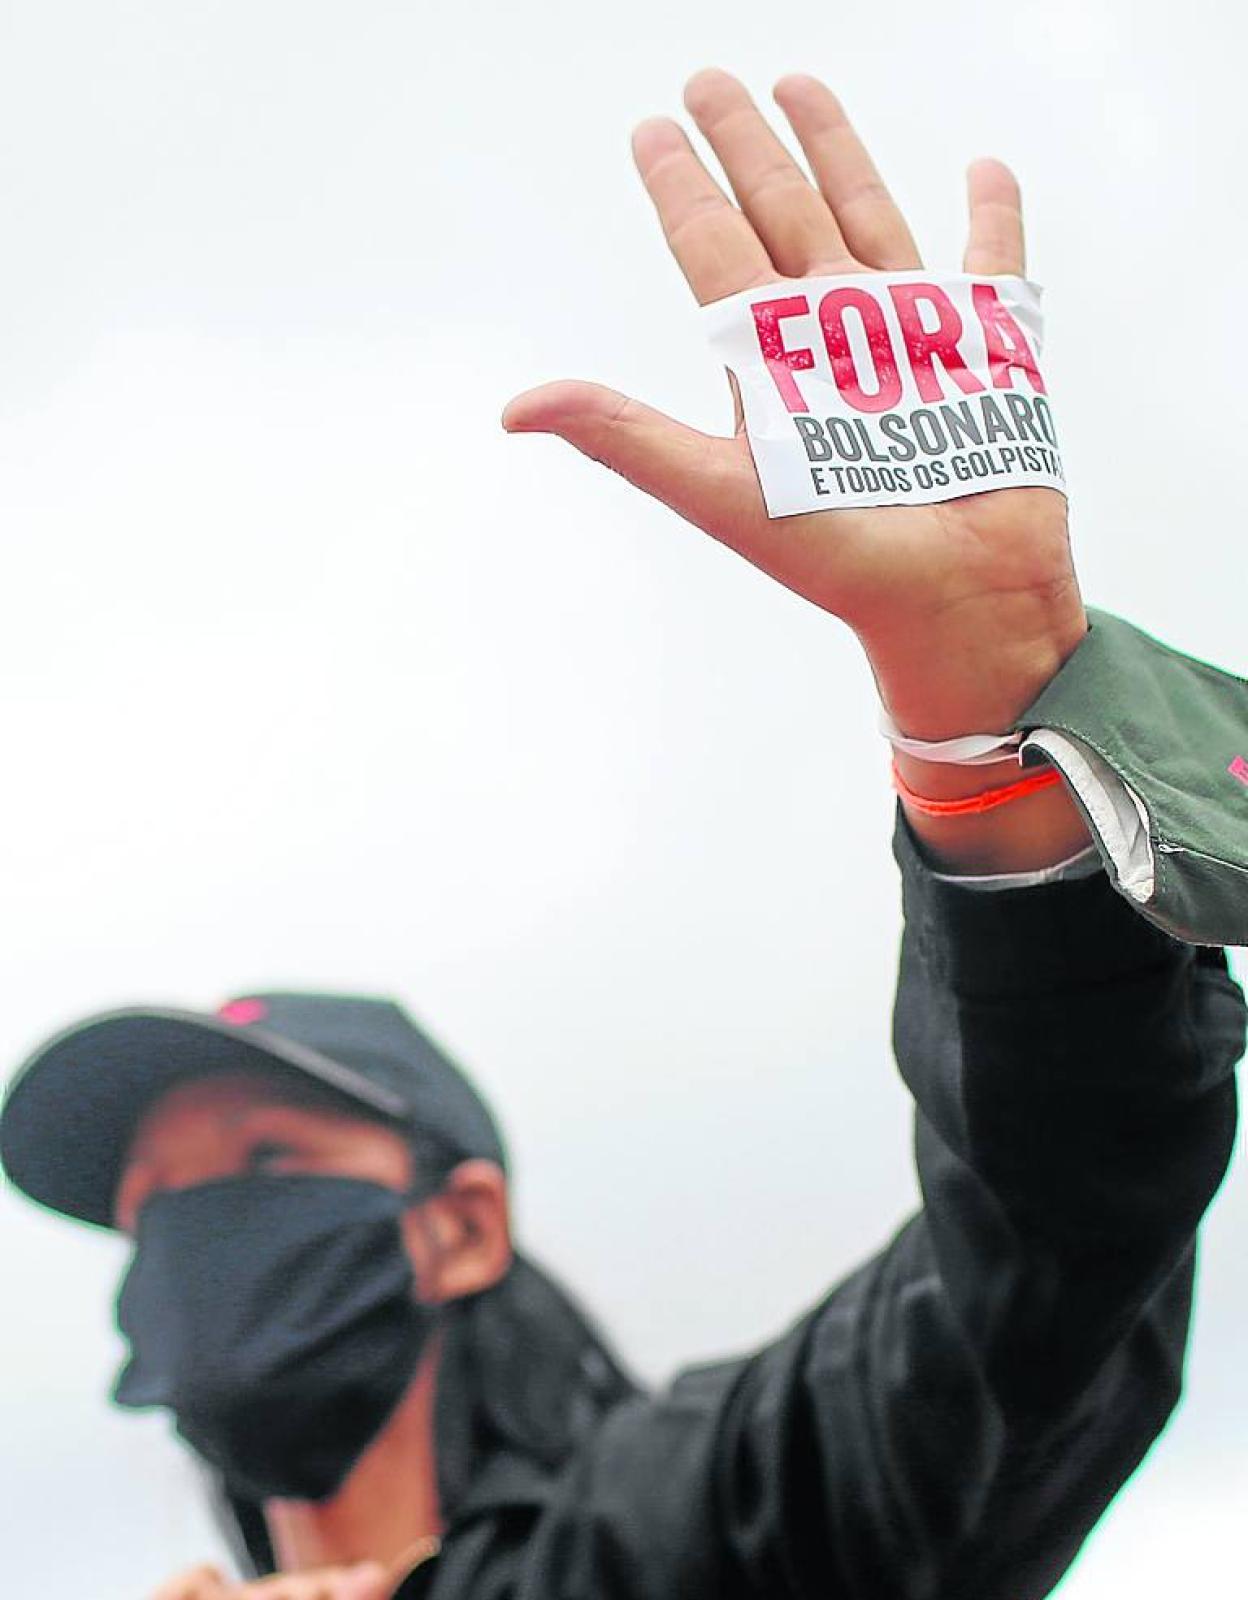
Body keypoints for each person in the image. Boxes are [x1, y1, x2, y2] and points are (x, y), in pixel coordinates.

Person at [2, 68, 1244, 1600]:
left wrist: (991, 722)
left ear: (460, 1228)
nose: (201, 1240)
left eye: (264, 1157)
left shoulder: (696, 1536)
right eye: (153, 1209)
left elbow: (1048, 1258)